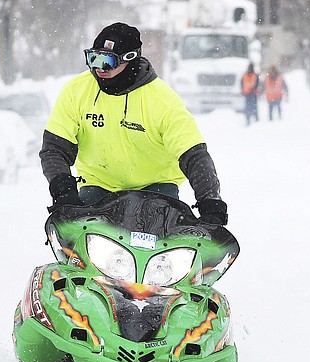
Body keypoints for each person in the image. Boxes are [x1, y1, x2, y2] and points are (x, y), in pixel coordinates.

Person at [39, 22, 228, 225]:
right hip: (99, 188)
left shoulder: (162, 100)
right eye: (93, 58)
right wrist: (64, 191)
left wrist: (210, 202)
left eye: (107, 61)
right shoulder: (75, 91)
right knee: (75, 244)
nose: (98, 69)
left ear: (130, 58)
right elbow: (54, 149)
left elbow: (194, 156)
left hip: (157, 189)